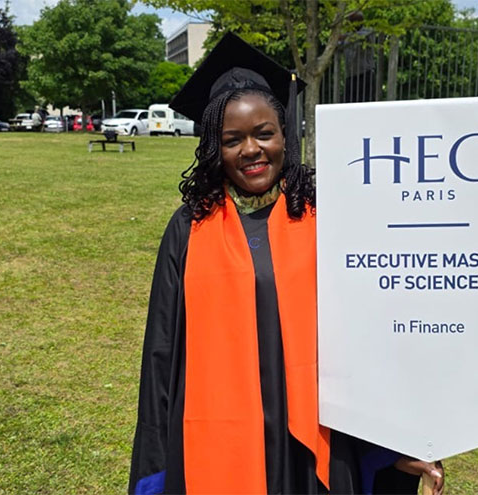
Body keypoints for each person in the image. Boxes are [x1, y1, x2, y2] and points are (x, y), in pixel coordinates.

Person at [128, 33, 444, 495]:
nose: (251, 150)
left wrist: (399, 442)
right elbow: (162, 351)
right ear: (215, 148)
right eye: (232, 139)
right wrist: (155, 469)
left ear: (285, 134)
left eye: (264, 133)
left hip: (313, 438)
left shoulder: (325, 216)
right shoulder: (189, 228)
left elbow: (370, 334)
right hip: (219, 433)